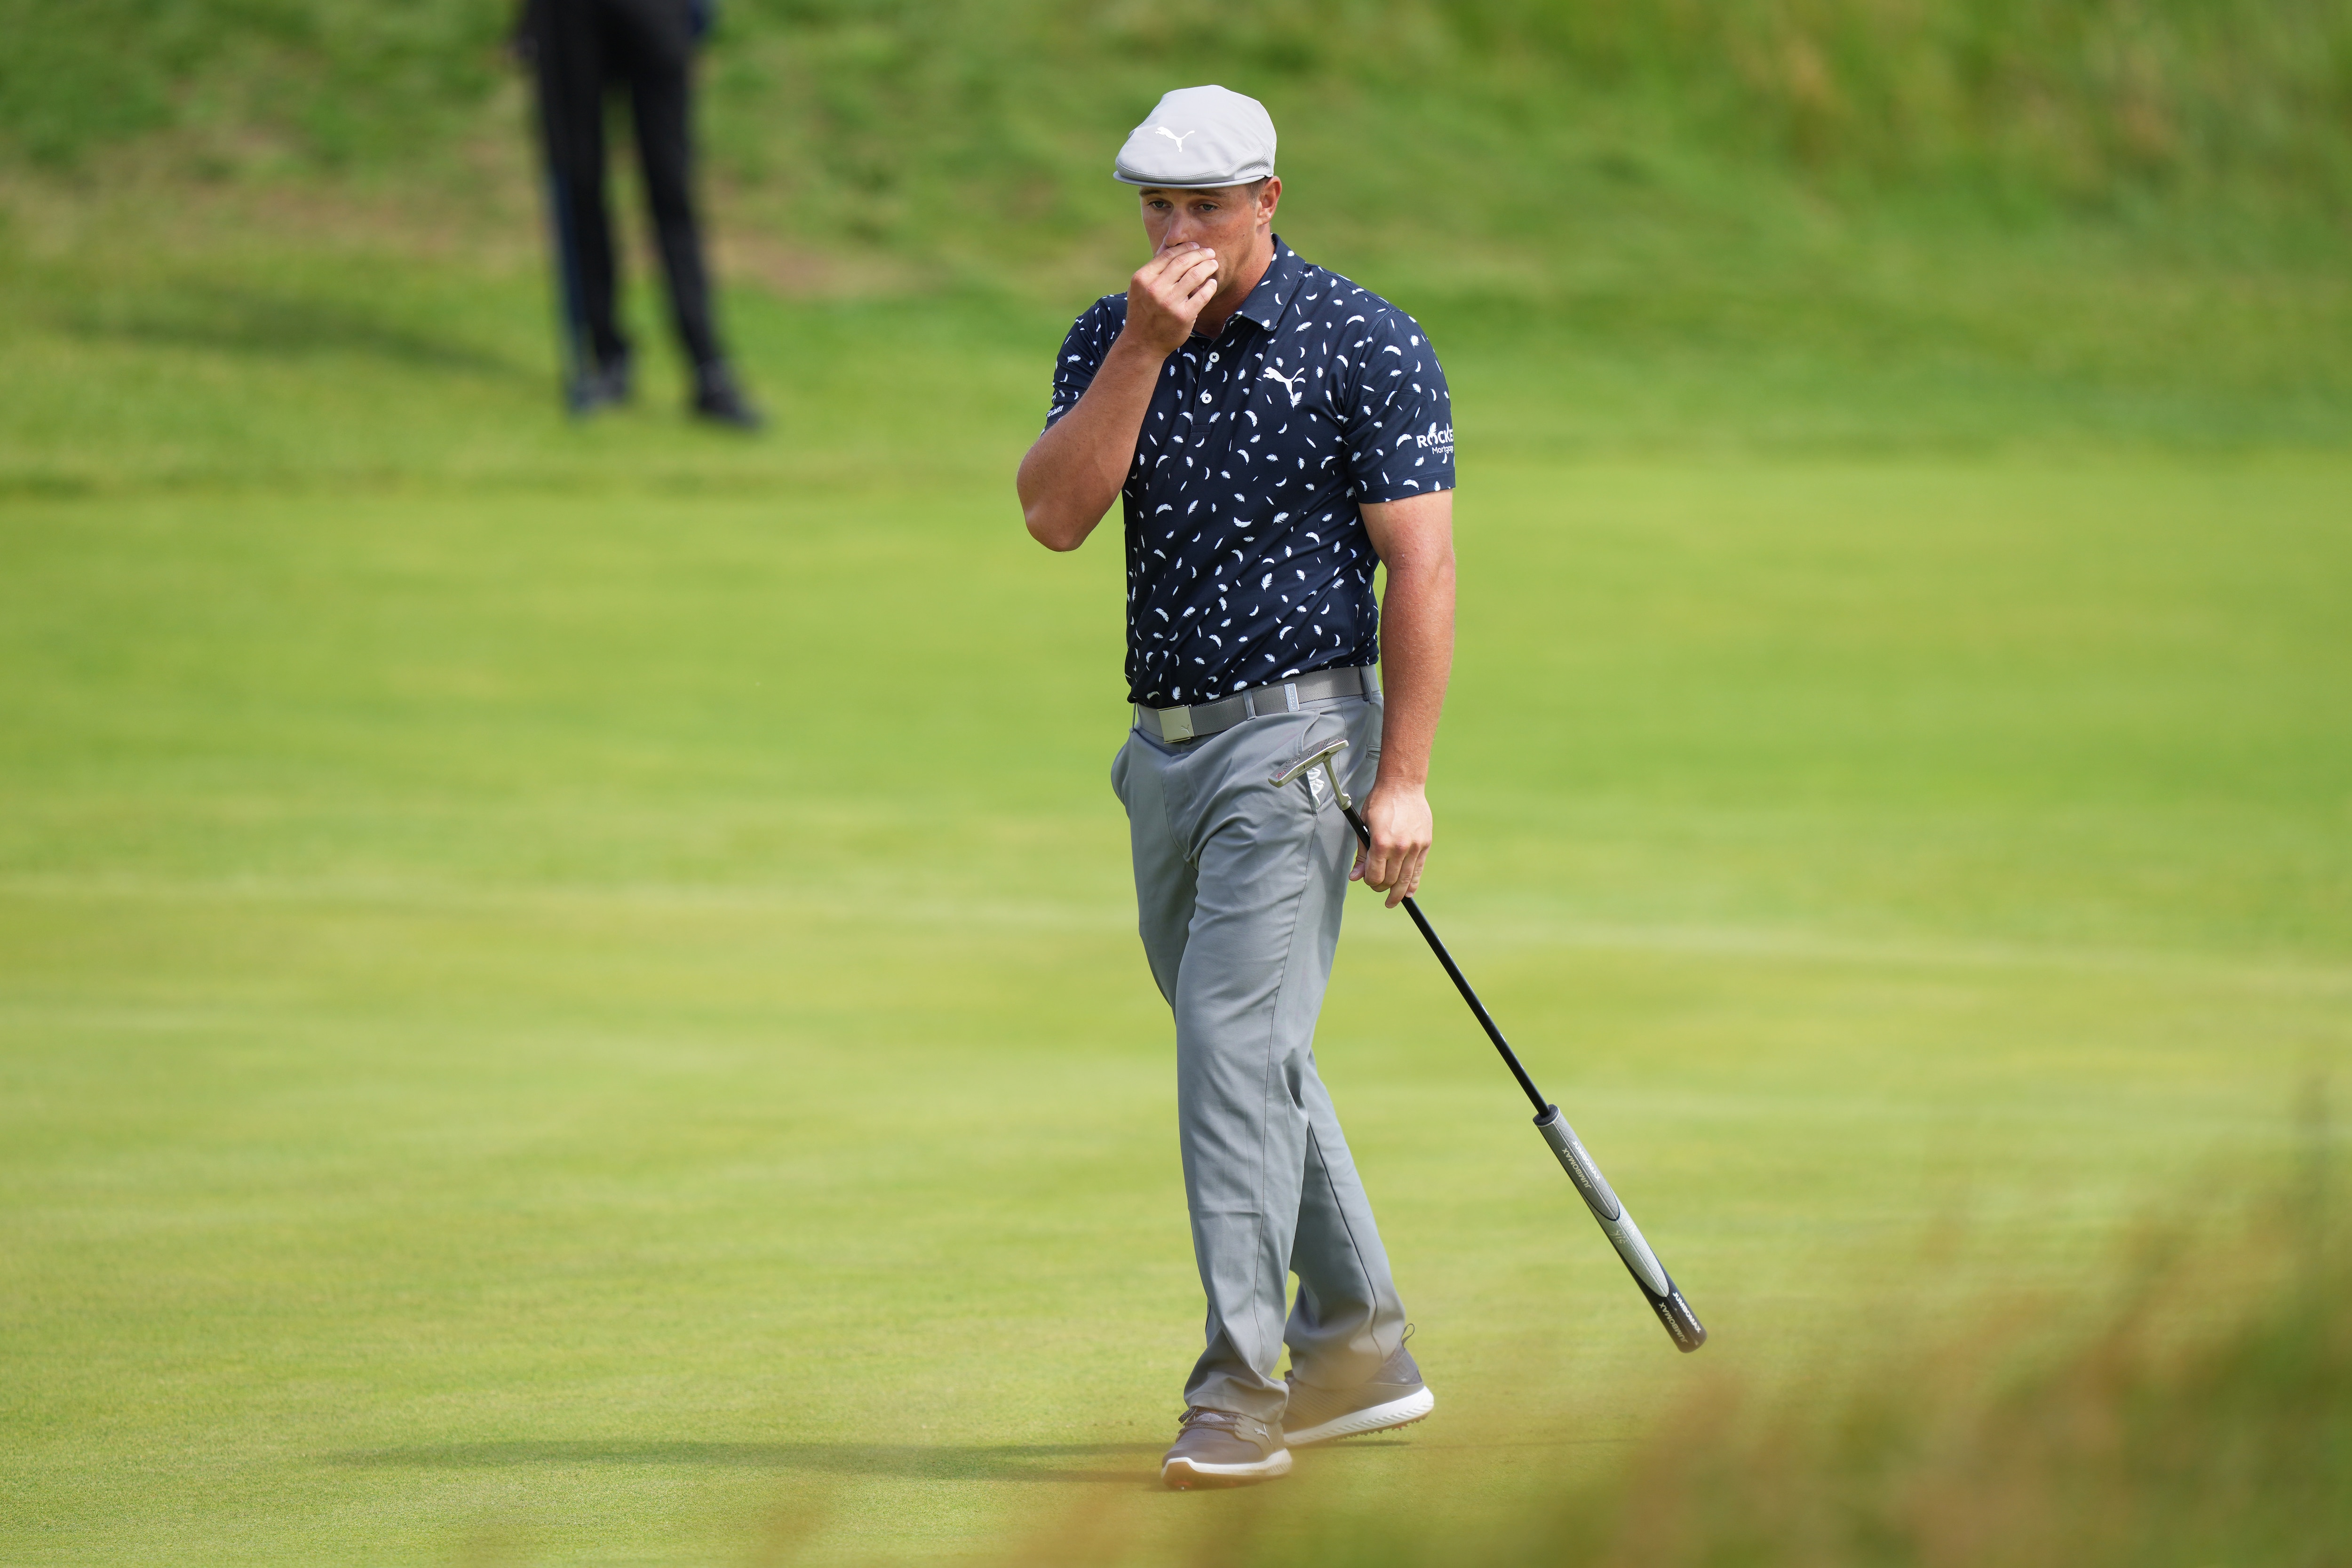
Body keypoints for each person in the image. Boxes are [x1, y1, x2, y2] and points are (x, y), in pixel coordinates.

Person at [1016, 85, 1458, 1490]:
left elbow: (1423, 569)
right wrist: (1142, 346)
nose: (1178, 231)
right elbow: (1053, 515)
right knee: (1250, 1051)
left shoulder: (1364, 343)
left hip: (1304, 741)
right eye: (1156, 206)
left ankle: (1239, 1388)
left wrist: (1403, 781)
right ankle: (1361, 1349)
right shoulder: (1110, 334)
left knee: (1224, 1046)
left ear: (1269, 202)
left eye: (1205, 205)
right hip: (1162, 750)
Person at [513, 0, 760, 426]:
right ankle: (607, 358)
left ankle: (707, 368)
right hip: (570, 17)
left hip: (657, 13)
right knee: (582, 186)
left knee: (672, 189)